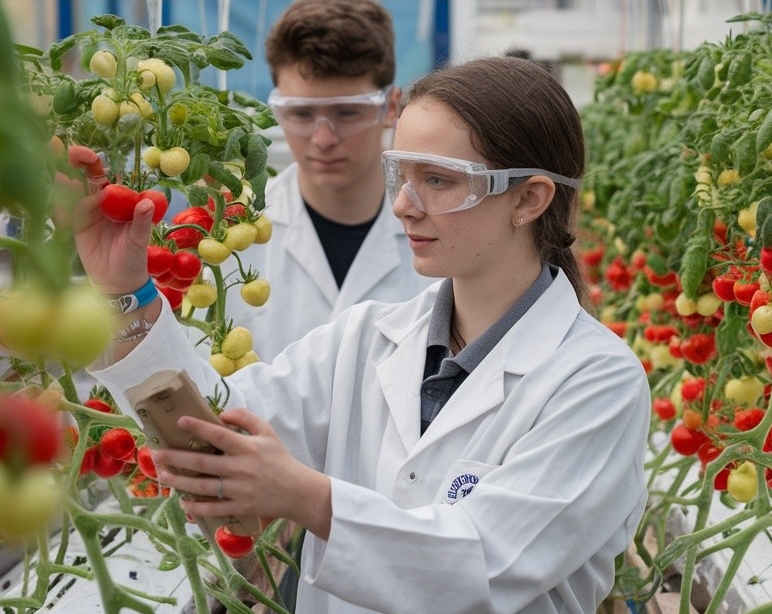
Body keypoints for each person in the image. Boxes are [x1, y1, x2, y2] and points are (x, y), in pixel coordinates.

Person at [79, 56, 651, 614]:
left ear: (528, 199)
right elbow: (212, 425)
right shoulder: (364, 338)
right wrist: (125, 290)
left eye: (439, 180)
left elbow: (485, 567)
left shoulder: (596, 380)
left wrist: (307, 496)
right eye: (401, 174)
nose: (403, 204)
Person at [219, 0, 434, 361]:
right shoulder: (234, 237)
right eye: (301, 114)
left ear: (390, 107)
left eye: (347, 113)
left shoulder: (443, 230)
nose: (322, 139)